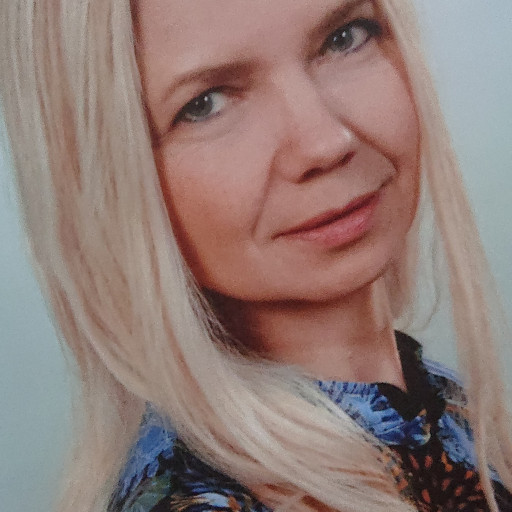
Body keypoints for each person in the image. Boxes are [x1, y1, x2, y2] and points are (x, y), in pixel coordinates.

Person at [0, 0, 511, 511]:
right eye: (206, 103)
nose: (326, 142)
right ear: (102, 182)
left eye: (344, 38)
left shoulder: (457, 416)